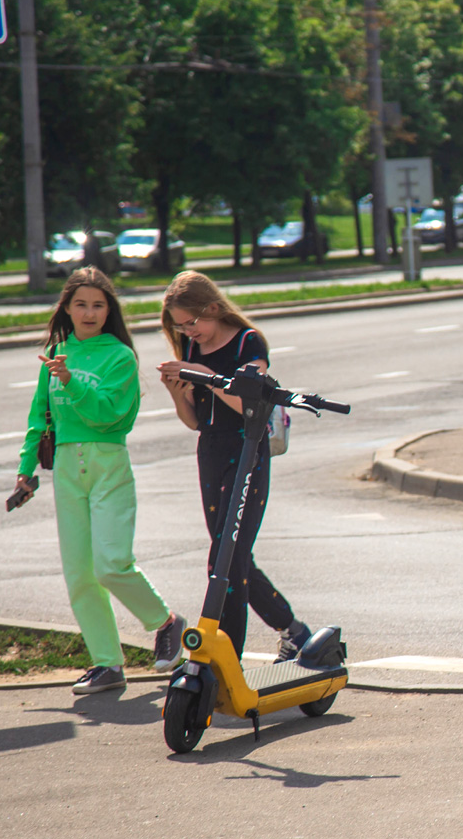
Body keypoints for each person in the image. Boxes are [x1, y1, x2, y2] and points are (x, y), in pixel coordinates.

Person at [12, 267, 186, 695]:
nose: (89, 313)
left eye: (98, 304)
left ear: (110, 311)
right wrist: (26, 468)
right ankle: (107, 664)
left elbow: (109, 415)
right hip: (68, 468)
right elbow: (40, 416)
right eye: (81, 304)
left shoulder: (120, 357)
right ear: (66, 309)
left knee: (111, 563)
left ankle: (165, 622)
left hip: (108, 463)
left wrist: (71, 381)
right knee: (80, 575)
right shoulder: (56, 354)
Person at [157, 272, 312, 664]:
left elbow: (250, 406)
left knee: (225, 559)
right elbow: (195, 421)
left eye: (192, 323)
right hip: (210, 449)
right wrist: (178, 397)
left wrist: (209, 378)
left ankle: (227, 656)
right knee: (229, 556)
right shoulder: (192, 347)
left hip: (247, 452)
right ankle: (292, 631)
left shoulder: (248, 342)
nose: (190, 334)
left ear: (212, 308)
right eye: (180, 328)